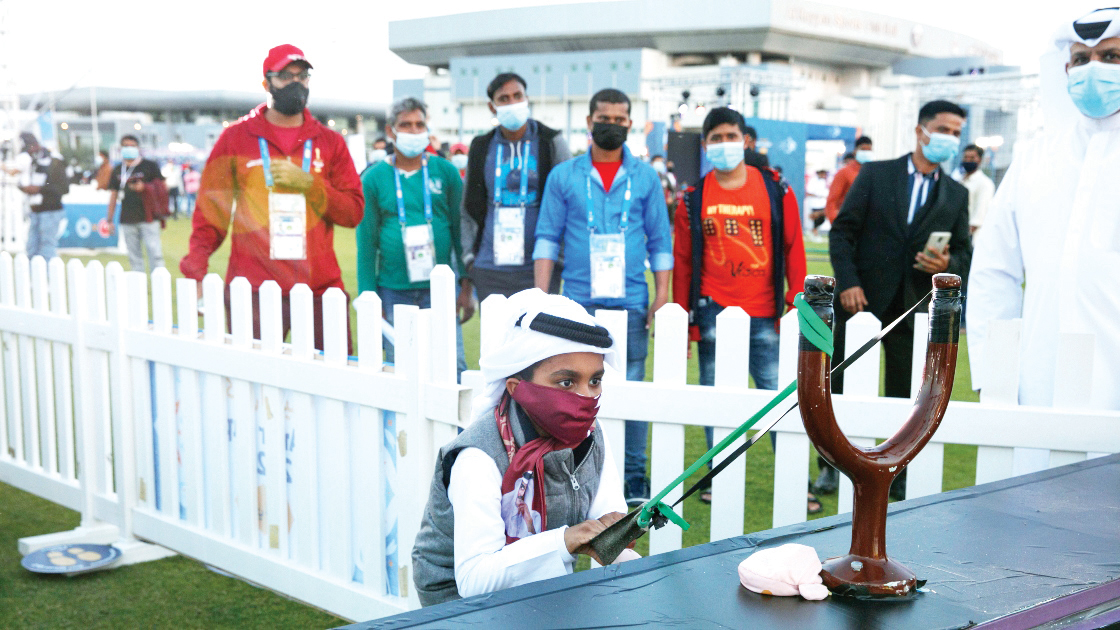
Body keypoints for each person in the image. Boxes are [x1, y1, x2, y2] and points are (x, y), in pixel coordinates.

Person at [411, 288, 636, 606]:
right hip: (460, 611)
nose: (586, 397)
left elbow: (606, 515)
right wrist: (567, 539)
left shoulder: (591, 435)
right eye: (567, 382)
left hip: (543, 593)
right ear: (516, 388)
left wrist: (618, 530)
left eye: (595, 381)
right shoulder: (478, 457)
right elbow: (475, 580)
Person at [968, 8, 1120, 410]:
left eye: (1112, 57)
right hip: (1040, 386)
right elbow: (993, 272)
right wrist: (993, 375)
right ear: (1065, 68)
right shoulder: (1036, 158)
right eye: (1082, 60)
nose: (1093, 70)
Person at [826, 100, 971, 500]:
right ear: (921, 130)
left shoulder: (956, 194)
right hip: (860, 301)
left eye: (957, 133)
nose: (950, 138)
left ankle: (894, 471)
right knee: (840, 383)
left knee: (903, 392)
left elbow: (964, 251)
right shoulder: (876, 174)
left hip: (914, 306)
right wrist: (849, 282)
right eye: (944, 129)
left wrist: (948, 261)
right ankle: (830, 466)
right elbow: (842, 234)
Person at [534, 88, 673, 506]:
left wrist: (662, 294)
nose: (611, 124)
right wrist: (541, 297)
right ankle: (575, 468)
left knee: (631, 390)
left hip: (631, 299)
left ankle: (633, 478)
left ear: (630, 123)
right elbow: (547, 238)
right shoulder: (564, 176)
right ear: (590, 121)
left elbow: (660, 240)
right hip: (578, 302)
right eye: (604, 117)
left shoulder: (646, 177)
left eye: (620, 118)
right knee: (573, 392)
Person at [180, 44, 363, 352]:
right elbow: (211, 213)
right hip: (253, 289)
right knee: (253, 389)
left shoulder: (329, 142)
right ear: (266, 83)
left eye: (302, 76)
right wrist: (195, 268)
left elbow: (353, 213)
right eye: (285, 76)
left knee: (330, 387)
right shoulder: (236, 138)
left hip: (319, 288)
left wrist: (310, 185)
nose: (295, 84)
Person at [672, 107, 810, 509]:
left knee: (777, 400)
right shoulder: (693, 198)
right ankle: (719, 477)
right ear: (705, 145)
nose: (724, 144)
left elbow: (794, 247)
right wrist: (683, 320)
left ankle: (794, 481)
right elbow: (683, 261)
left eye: (730, 136)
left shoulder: (775, 189)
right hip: (713, 312)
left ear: (745, 141)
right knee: (717, 403)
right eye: (715, 138)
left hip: (766, 312)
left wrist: (794, 301)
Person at [356, 97, 468, 374]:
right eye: (406, 125)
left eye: (419, 125)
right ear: (391, 131)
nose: (414, 131)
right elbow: (367, 244)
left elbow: (459, 232)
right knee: (402, 370)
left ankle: (455, 421)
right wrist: (370, 296)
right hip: (394, 291)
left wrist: (466, 286)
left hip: (441, 290)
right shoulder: (373, 178)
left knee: (453, 367)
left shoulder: (446, 172)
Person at [460, 72, 571, 308]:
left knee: (540, 340)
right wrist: (471, 259)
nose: (512, 103)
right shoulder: (481, 147)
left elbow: (568, 201)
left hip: (539, 266)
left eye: (517, 96)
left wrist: (559, 258)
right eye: (504, 99)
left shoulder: (550, 142)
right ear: (492, 106)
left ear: (527, 98)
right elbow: (468, 206)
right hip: (490, 267)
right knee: (497, 342)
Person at [106, 135, 166, 273]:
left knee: (155, 253)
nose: (129, 149)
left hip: (149, 217)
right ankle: (138, 288)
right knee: (134, 257)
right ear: (121, 148)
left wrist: (145, 188)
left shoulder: (149, 166)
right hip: (127, 218)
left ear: (138, 148)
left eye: (132, 146)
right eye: (126, 146)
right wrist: (109, 219)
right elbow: (113, 195)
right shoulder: (117, 170)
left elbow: (162, 188)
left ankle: (160, 285)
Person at [16, 133, 69, 260]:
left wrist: (39, 189)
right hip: (35, 210)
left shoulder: (55, 160)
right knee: (31, 247)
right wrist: (25, 188)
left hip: (51, 210)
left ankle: (49, 276)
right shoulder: (32, 160)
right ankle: (33, 277)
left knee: (47, 247)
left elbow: (64, 188)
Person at [824, 136, 873, 223]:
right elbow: (832, 201)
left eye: (869, 150)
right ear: (855, 151)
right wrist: (836, 224)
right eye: (863, 149)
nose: (866, 152)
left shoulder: (874, 172)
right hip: (849, 223)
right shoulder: (844, 172)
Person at [956, 144, 995, 237]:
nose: (968, 160)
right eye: (966, 157)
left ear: (980, 160)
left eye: (972, 158)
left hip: (971, 238)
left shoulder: (985, 184)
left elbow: (979, 217)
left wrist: (961, 237)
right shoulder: (960, 180)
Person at [804, 168, 830, 241]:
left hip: (822, 203)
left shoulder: (823, 181)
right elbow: (809, 192)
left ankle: (813, 230)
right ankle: (814, 232)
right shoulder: (813, 180)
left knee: (822, 218)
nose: (824, 175)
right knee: (816, 218)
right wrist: (818, 195)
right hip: (814, 203)